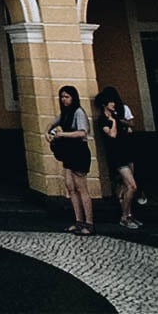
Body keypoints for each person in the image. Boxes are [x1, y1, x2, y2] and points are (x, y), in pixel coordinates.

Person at [47, 85, 94, 235]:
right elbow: (52, 123)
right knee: (70, 187)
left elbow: (82, 132)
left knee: (82, 188)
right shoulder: (65, 113)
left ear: (73, 97)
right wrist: (47, 132)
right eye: (62, 97)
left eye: (67, 97)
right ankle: (78, 221)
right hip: (69, 153)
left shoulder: (78, 112)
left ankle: (89, 223)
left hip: (79, 151)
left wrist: (63, 135)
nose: (64, 100)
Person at [95, 89, 139, 229]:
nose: (114, 104)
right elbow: (112, 135)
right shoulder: (103, 120)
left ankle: (129, 214)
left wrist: (120, 122)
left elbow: (130, 127)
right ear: (104, 104)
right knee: (132, 186)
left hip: (126, 152)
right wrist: (114, 122)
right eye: (111, 102)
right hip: (117, 156)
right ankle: (124, 216)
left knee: (126, 186)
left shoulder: (117, 115)